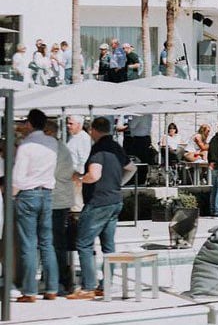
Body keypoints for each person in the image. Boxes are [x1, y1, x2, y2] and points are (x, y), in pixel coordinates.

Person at [68, 117, 134, 300]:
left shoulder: (98, 149)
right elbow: (131, 168)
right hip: (115, 201)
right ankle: (105, 285)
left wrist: (80, 179)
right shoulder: (116, 147)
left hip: (98, 202)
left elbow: (94, 175)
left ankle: (88, 287)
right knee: (108, 246)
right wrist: (117, 183)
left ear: (93, 130)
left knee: (83, 242)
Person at [12, 109, 59, 302]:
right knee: (47, 243)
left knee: (28, 244)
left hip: (28, 194)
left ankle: (29, 290)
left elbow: (18, 177)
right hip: (47, 193)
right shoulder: (53, 143)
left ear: (29, 124)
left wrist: (13, 196)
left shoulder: (26, 145)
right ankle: (52, 288)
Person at [44, 120, 75, 295]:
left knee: (54, 242)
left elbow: (50, 173)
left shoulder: (53, 149)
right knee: (55, 241)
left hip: (56, 200)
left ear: (49, 132)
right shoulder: (61, 147)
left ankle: (61, 279)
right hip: (60, 199)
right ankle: (58, 278)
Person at [66, 115, 92, 210]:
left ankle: (76, 222)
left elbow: (84, 159)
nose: (68, 125)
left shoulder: (83, 138)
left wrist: (79, 177)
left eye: (71, 123)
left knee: (76, 203)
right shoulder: (73, 137)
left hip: (76, 175)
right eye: (67, 123)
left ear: (79, 124)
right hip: (71, 175)